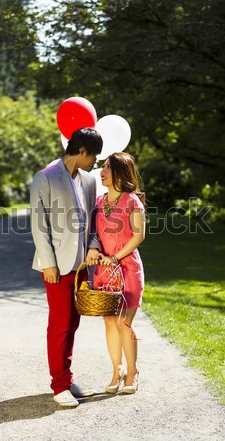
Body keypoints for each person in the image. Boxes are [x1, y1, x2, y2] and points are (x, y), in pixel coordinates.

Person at [30, 127, 103, 408]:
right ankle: (58, 385)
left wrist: (94, 246)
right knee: (60, 324)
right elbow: (39, 225)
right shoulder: (45, 177)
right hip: (56, 267)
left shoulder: (89, 180)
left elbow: (94, 220)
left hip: (82, 264)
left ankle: (67, 378)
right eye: (93, 155)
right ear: (82, 150)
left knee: (73, 322)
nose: (95, 161)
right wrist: (48, 263)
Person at [89, 152, 145, 395]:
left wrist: (115, 257)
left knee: (124, 322)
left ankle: (132, 372)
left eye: (109, 167)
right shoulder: (100, 202)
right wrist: (97, 252)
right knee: (109, 322)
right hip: (104, 271)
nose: (102, 171)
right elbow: (96, 236)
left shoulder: (132, 201)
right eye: (103, 166)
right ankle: (117, 370)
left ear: (121, 172)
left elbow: (138, 235)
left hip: (128, 269)